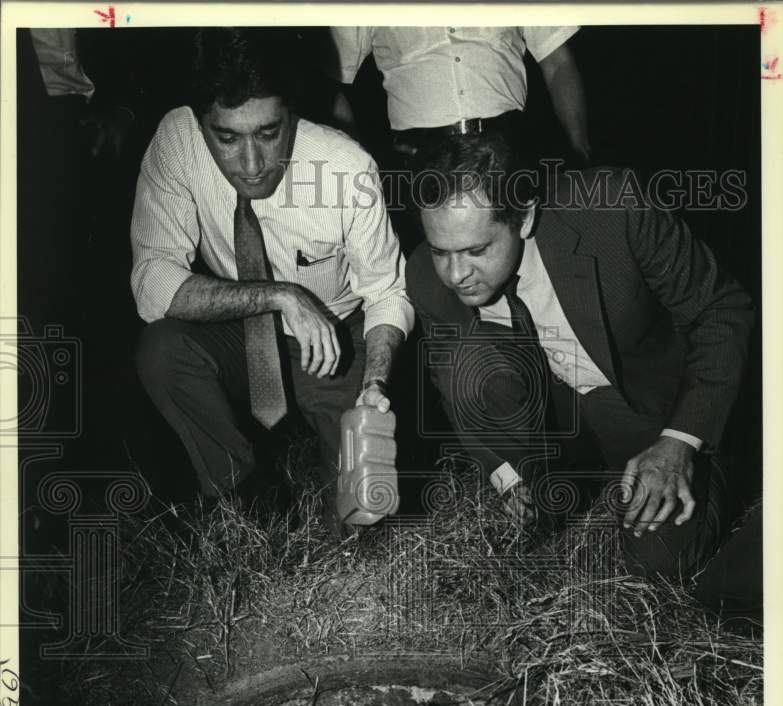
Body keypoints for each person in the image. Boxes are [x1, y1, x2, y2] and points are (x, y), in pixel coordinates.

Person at [405, 134, 754, 579]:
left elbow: (721, 310)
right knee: (463, 363)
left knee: (659, 564)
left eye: (477, 250)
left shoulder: (613, 208)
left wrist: (678, 443)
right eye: (441, 251)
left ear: (525, 216)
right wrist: (508, 477)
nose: (457, 274)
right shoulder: (423, 274)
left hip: (652, 412)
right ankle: (545, 496)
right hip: (556, 418)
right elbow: (452, 383)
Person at [131, 28, 412, 523]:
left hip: (337, 338)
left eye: (268, 132)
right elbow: (153, 285)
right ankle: (244, 498)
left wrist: (375, 384)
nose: (253, 163)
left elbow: (388, 291)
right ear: (199, 124)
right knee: (164, 351)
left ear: (293, 113)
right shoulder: (175, 142)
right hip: (243, 335)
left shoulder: (346, 167)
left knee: (362, 519)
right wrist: (281, 295)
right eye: (227, 138)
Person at [327, 26, 591, 166]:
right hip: (418, 155)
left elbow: (558, 63)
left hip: (510, 146)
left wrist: (579, 152)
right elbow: (329, 81)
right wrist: (360, 164)